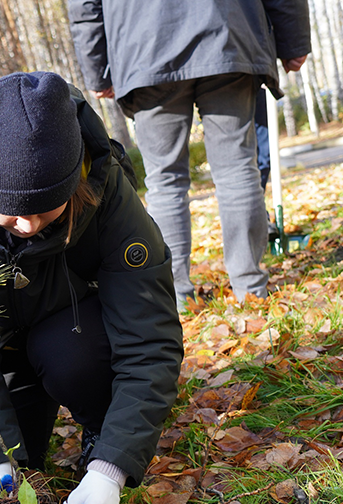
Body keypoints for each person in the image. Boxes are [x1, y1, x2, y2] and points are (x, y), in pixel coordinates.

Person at [0, 72, 183, 504]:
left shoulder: (107, 191)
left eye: (46, 206)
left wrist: (110, 469)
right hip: (0, 353)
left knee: (72, 357)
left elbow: (150, 340)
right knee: (11, 465)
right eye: (9, 210)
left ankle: (100, 428)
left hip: (76, 335)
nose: (29, 224)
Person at [69, 0, 311, 307]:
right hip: (228, 32)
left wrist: (97, 70)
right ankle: (250, 289)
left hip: (145, 45)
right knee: (237, 169)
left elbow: (85, 6)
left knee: (165, 180)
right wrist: (294, 40)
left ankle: (176, 296)